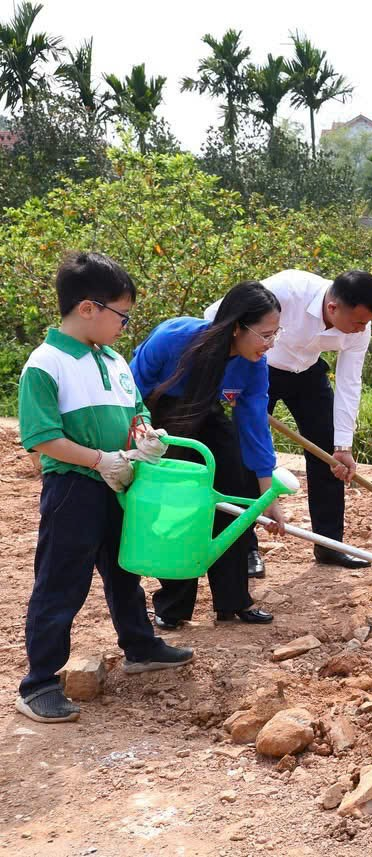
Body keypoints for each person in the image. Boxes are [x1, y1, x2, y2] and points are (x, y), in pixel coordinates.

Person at [16, 252, 193, 723]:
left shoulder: (114, 360)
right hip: (74, 488)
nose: (124, 325)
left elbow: (138, 412)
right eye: (122, 314)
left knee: (124, 570)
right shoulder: (46, 363)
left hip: (121, 483)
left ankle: (140, 646)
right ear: (89, 308)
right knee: (61, 583)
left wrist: (145, 438)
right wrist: (99, 459)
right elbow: (40, 437)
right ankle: (39, 684)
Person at [208, 270, 372, 576]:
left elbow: (349, 382)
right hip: (259, 369)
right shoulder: (286, 291)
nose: (363, 329)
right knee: (246, 456)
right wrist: (230, 380)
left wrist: (344, 445)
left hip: (308, 372)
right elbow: (217, 316)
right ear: (333, 308)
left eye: (367, 323)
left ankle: (330, 544)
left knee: (329, 454)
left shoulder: (359, 329)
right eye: (359, 322)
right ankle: (246, 550)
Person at [131, 281, 287, 629]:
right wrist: (136, 437)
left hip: (207, 415)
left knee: (234, 496)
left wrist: (266, 493)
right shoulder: (174, 337)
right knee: (176, 507)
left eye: (276, 334)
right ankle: (172, 607)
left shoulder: (253, 364)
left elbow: (254, 426)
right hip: (158, 420)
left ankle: (234, 602)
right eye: (264, 334)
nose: (270, 344)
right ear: (236, 327)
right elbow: (132, 387)